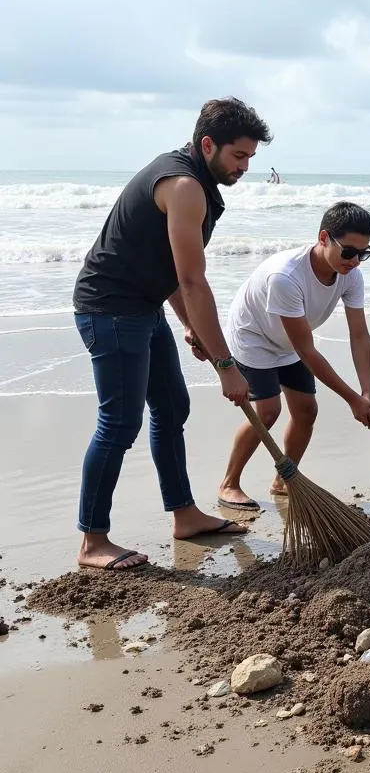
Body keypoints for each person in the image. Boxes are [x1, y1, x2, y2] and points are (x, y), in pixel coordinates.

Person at [72, 97, 274, 571]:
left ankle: (184, 513)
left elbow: (164, 268)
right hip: (111, 310)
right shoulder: (184, 186)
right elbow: (191, 279)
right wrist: (227, 366)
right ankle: (92, 541)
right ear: (208, 144)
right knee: (119, 424)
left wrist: (188, 324)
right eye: (238, 156)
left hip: (142, 305)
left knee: (171, 407)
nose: (245, 167)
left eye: (250, 158)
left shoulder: (194, 176)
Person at [216, 202, 370, 510]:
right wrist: (352, 399)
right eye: (349, 252)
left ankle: (283, 479)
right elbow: (306, 350)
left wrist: (366, 391)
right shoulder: (286, 276)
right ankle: (229, 483)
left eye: (364, 253)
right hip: (255, 336)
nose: (356, 261)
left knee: (306, 410)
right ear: (323, 238)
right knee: (267, 412)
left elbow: (359, 333)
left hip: (289, 338)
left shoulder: (350, 275)